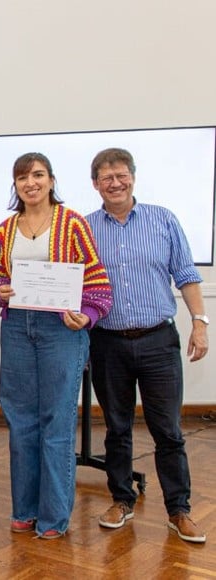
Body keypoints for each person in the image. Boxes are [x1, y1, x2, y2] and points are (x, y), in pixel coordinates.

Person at [86, 148, 208, 544]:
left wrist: (200, 324)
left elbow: (186, 274)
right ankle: (122, 500)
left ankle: (179, 510)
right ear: (95, 184)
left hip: (158, 340)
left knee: (168, 430)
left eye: (121, 175)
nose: (115, 183)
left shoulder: (162, 219)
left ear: (133, 177)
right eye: (107, 178)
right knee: (117, 429)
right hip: (106, 343)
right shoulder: (85, 228)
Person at [0, 152, 112, 539]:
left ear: (51, 180)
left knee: (56, 421)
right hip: (17, 329)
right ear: (16, 185)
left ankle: (54, 516)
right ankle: (24, 509)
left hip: (61, 329)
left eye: (38, 175)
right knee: (20, 419)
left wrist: (87, 315)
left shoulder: (73, 224)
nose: (31, 183)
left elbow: (97, 283)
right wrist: (1, 290)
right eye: (23, 177)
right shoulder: (5, 230)